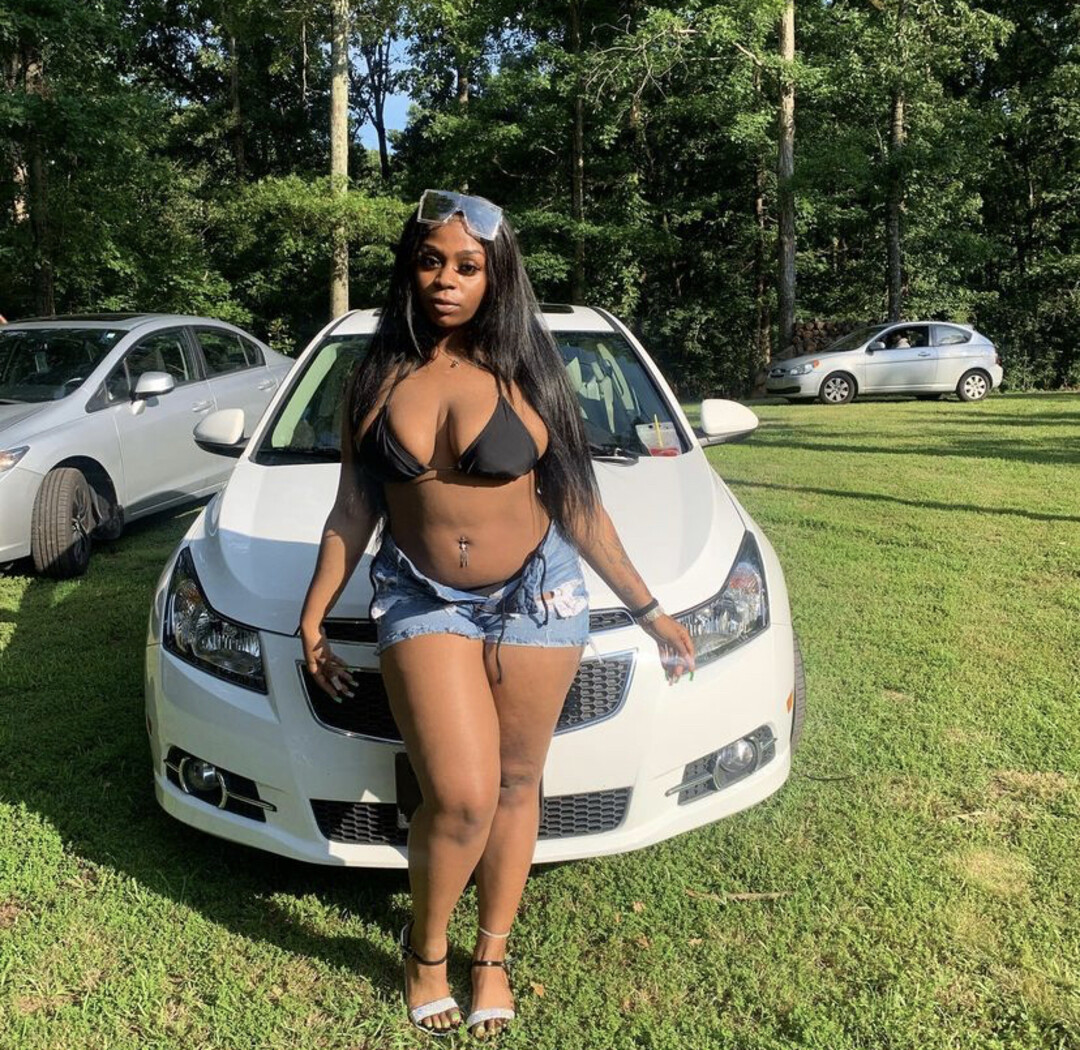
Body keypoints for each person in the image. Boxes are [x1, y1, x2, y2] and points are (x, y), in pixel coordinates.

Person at [299, 189, 695, 1040]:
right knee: (461, 795)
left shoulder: (533, 371)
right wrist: (313, 615)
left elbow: (579, 506)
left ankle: (491, 957)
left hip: (538, 591)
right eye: (431, 262)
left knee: (518, 783)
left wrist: (649, 608)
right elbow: (352, 509)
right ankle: (426, 950)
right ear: (410, 270)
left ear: (495, 276)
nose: (447, 280)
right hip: (421, 593)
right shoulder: (375, 376)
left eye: (468, 266)